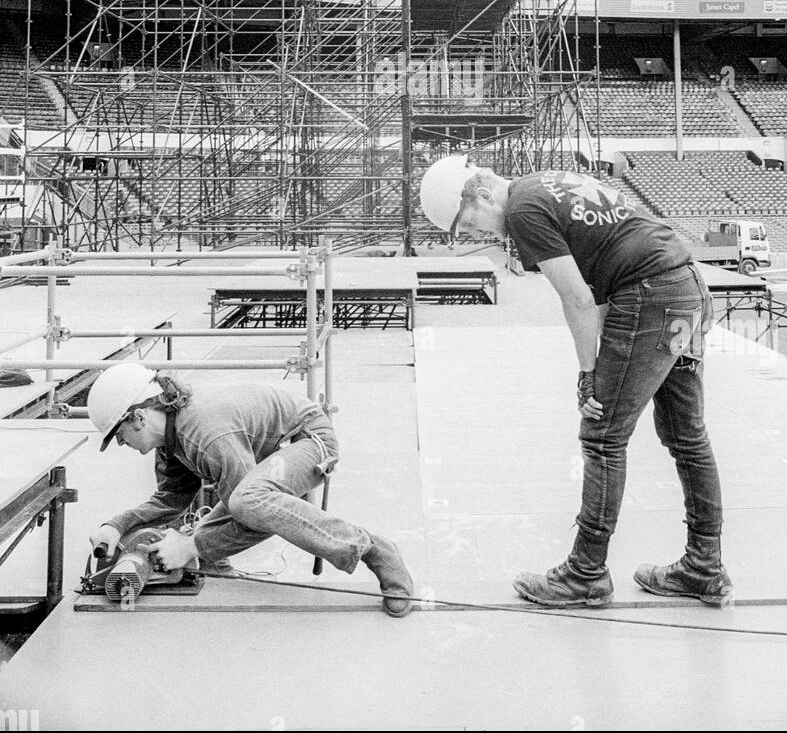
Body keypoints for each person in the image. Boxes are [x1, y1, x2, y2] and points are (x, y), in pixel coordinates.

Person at [419, 155, 732, 609]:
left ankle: (586, 573)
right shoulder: (542, 186)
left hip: (648, 294)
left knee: (603, 435)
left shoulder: (522, 211)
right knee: (687, 436)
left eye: (471, 224)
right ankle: (704, 566)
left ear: (484, 196)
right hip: (683, 286)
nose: (478, 235)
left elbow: (578, 299)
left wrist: (589, 377)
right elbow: (598, 284)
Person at [86, 364, 414, 617]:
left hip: (309, 440)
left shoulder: (207, 434)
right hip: (273, 455)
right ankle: (218, 575)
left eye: (119, 435)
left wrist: (190, 546)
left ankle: (372, 549)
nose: (121, 443)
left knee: (245, 503)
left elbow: (250, 514)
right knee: (226, 515)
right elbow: (171, 499)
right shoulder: (169, 443)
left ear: (139, 417)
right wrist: (118, 525)